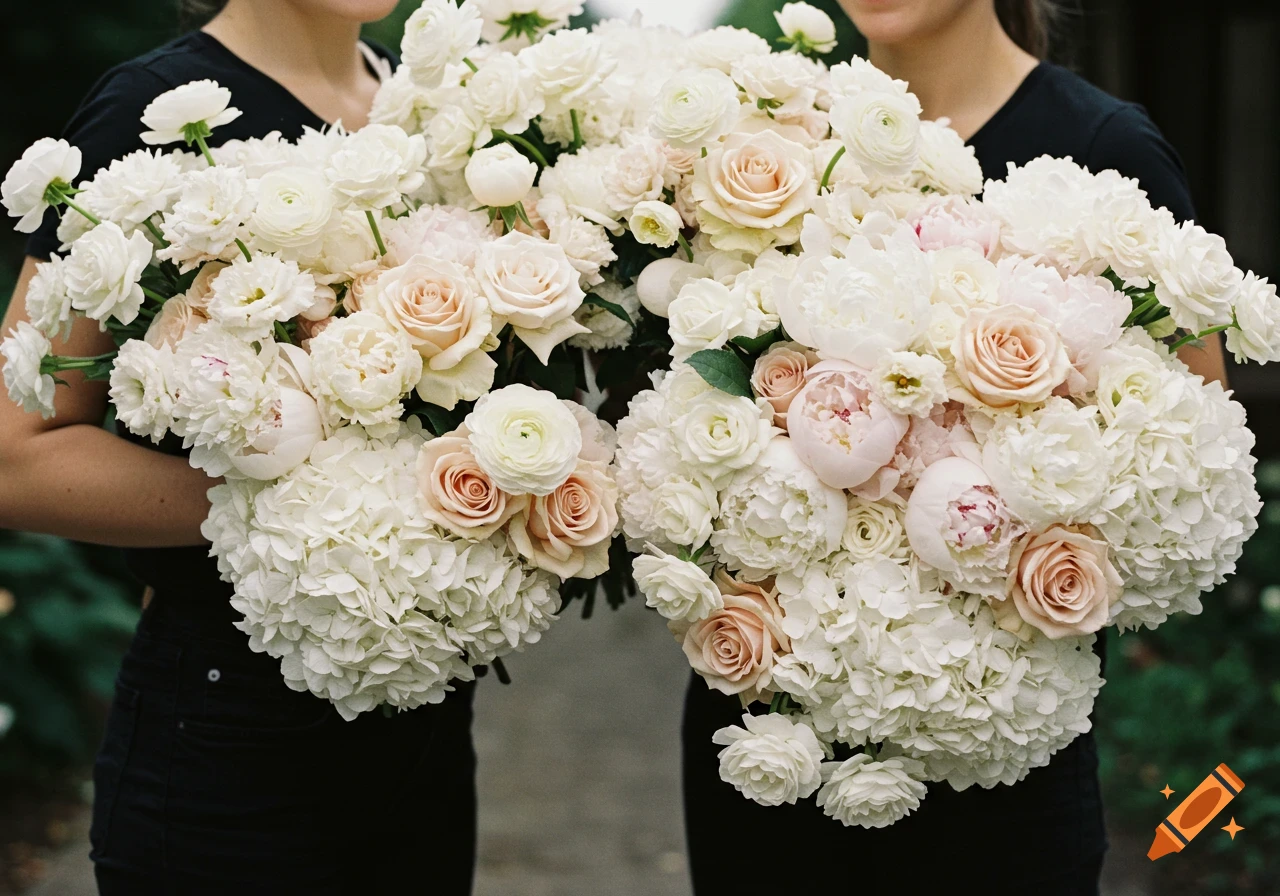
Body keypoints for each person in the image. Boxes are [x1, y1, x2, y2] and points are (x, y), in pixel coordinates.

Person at [681, 2, 1225, 894]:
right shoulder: (775, 147)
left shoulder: (1100, 146)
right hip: (769, 737)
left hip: (997, 755)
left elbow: (1193, 449)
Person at [0, 3, 478, 894]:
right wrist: (322, 511)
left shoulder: (427, 105)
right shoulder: (146, 112)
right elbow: (16, 453)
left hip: (425, 731)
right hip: (228, 740)